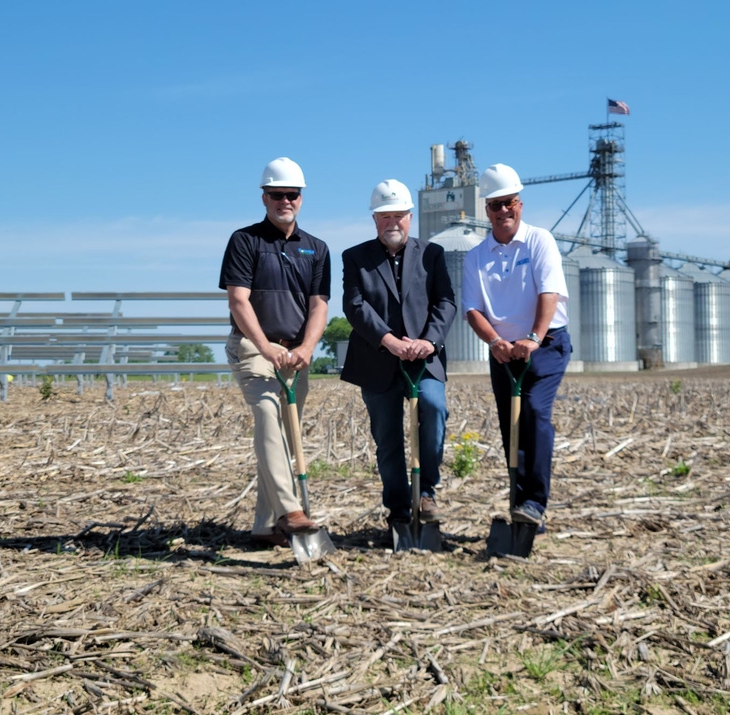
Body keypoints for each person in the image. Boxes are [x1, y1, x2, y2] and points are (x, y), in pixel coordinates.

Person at [219, 157, 330, 546]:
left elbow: (319, 305)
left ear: (301, 198)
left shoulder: (316, 249)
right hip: (253, 348)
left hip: (295, 356)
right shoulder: (245, 241)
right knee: (268, 415)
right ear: (264, 197)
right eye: (277, 194)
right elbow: (238, 300)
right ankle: (291, 511)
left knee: (286, 433)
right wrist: (264, 346)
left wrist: (306, 347)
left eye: (292, 195)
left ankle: (264, 527)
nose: (285, 201)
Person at [341, 179, 456, 529]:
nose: (392, 222)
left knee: (434, 410)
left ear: (410, 216)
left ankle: (427, 492)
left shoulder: (432, 254)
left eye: (399, 215)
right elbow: (355, 305)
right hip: (377, 361)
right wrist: (389, 341)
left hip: (425, 360)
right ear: (375, 220)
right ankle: (399, 507)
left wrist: (429, 341)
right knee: (387, 438)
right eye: (384, 216)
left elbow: (446, 301)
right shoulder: (356, 257)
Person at [462, 163, 571, 528]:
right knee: (511, 424)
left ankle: (535, 502)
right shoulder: (475, 256)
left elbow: (549, 294)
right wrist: (495, 341)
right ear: (487, 210)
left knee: (536, 415)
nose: (503, 211)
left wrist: (533, 339)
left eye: (509, 202)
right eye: (495, 205)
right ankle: (519, 504)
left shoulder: (540, 240)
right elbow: (473, 310)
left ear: (520, 203)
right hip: (503, 352)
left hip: (547, 345)